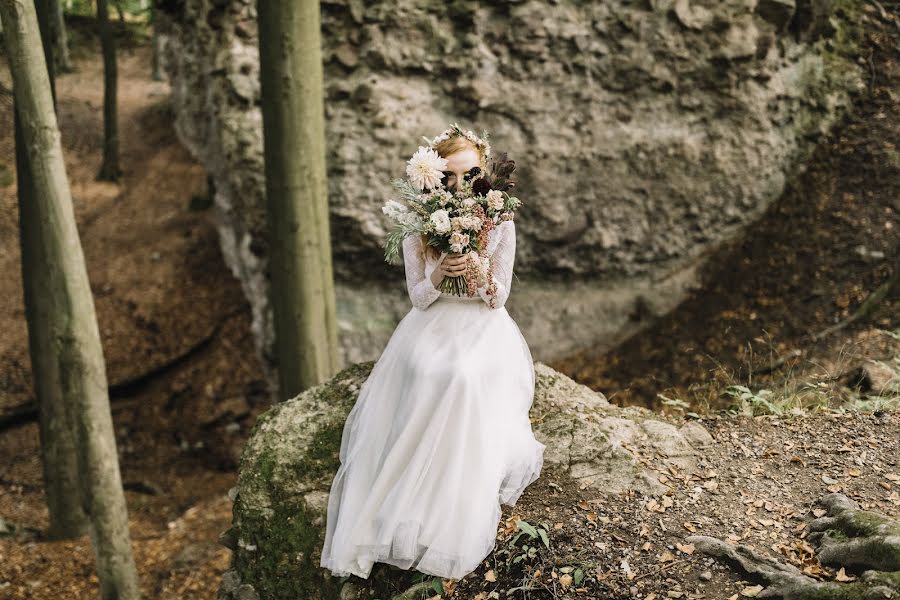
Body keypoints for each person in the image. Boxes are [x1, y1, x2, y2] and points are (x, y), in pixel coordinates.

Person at [319, 127, 545, 582]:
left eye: (470, 174)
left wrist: (478, 270)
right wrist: (441, 271)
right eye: (450, 177)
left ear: (483, 172)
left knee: (462, 375)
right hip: (433, 320)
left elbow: (499, 297)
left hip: (481, 326)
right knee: (427, 371)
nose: (461, 185)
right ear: (435, 178)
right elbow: (418, 298)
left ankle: (453, 487)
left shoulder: (500, 220)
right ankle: (407, 480)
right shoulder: (417, 223)